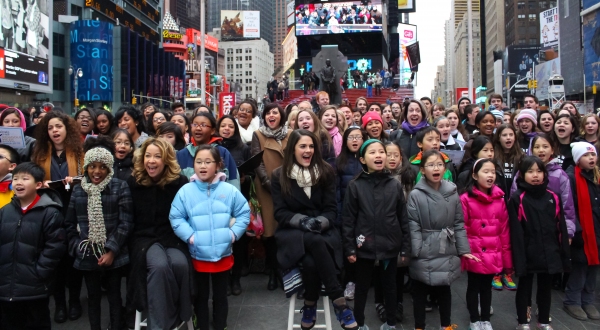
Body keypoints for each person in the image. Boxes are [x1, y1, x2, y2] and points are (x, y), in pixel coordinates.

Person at [271, 129, 358, 330]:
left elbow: (331, 209)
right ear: (293, 149)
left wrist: (320, 222)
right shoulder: (279, 175)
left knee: (311, 261)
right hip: (292, 232)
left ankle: (309, 303)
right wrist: (302, 222)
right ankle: (339, 300)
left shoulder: (326, 171)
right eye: (302, 146)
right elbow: (280, 213)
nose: (308, 150)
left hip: (322, 229)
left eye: (311, 146)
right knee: (314, 241)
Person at [169, 145, 250, 330]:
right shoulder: (185, 191)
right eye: (198, 162)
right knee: (200, 295)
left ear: (218, 165)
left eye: (208, 162)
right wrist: (191, 237)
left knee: (221, 295)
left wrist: (232, 235)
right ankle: (202, 325)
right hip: (197, 253)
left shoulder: (228, 190)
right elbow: (176, 217)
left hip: (223, 254)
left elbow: (244, 213)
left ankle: (221, 324)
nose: (203, 166)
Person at [65, 138, 133, 330]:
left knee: (114, 295)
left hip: (114, 253)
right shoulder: (78, 190)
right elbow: (69, 223)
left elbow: (125, 222)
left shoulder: (120, 187)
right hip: (86, 253)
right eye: (92, 166)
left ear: (109, 168)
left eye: (102, 167)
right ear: (86, 167)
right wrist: (77, 247)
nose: (97, 172)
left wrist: (111, 250)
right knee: (93, 296)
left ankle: (117, 325)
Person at [342, 138, 411, 330]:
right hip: (364, 246)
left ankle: (390, 323)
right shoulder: (355, 186)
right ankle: (359, 323)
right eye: (372, 152)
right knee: (362, 287)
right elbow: (348, 221)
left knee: (390, 286)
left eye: (381, 152)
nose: (378, 155)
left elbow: (402, 218)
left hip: (389, 246)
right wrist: (349, 248)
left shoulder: (394, 185)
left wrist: (405, 247)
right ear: (363, 160)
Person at [127, 138, 192, 330]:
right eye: (148, 156)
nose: (151, 161)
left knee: (180, 265)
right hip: (143, 239)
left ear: (166, 160)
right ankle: (161, 325)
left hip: (172, 237)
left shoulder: (180, 182)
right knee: (160, 266)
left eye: (157, 156)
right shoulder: (133, 182)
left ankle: (180, 315)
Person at [407, 149, 474, 330]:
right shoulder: (416, 194)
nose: (435, 168)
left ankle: (446, 324)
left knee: (445, 289)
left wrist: (464, 249)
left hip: (447, 245)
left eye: (439, 164)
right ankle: (419, 326)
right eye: (430, 165)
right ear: (422, 170)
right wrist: (417, 250)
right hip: (425, 244)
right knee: (420, 290)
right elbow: (412, 224)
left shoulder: (452, 192)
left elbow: (459, 222)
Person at [32, 110, 85, 323]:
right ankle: (60, 304)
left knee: (73, 258)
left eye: (59, 127)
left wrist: (76, 181)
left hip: (73, 209)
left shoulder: (80, 152)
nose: (55, 131)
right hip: (48, 211)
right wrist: (40, 183)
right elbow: (31, 180)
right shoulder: (39, 154)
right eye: (51, 128)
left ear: (67, 129)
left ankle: (74, 301)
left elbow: (90, 178)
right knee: (55, 261)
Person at [0, 162, 66, 330]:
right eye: (15, 179)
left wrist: (39, 272)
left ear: (38, 184)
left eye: (24, 178)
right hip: (5, 285)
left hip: (34, 288)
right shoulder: (5, 211)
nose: (18, 183)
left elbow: (55, 247)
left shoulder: (50, 212)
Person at [509, 156, 571, 330]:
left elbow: (561, 228)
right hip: (528, 252)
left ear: (545, 174)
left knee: (545, 288)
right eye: (530, 171)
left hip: (550, 251)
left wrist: (563, 255)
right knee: (525, 288)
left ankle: (544, 320)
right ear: (521, 174)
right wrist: (518, 259)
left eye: (539, 171)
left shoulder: (554, 197)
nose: (535, 175)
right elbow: (516, 232)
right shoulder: (518, 198)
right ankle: (523, 321)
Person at [460, 158, 512, 330]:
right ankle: (474, 319)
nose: (490, 176)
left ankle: (485, 319)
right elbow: (463, 227)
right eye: (485, 172)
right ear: (475, 175)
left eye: (492, 172)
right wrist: (465, 251)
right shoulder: (466, 199)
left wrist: (505, 256)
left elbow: (504, 229)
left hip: (493, 250)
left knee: (487, 288)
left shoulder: (500, 198)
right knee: (473, 286)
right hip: (474, 250)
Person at [251, 103, 291, 290]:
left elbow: (293, 159)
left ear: (281, 115)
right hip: (265, 187)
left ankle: (283, 271)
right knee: (269, 233)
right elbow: (256, 161)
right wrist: (268, 182)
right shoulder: (258, 134)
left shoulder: (291, 134)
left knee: (284, 231)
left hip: (287, 186)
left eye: (275, 112)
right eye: (268, 113)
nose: (271, 115)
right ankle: (273, 272)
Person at [510, 133, 577, 241]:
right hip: (528, 230)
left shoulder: (560, 175)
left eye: (545, 146)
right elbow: (514, 200)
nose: (541, 150)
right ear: (531, 150)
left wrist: (568, 232)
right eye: (537, 147)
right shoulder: (521, 173)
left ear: (552, 150)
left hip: (552, 231)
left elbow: (567, 206)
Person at [563, 142, 600, 321]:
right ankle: (572, 300)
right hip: (582, 231)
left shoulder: (597, 176)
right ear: (578, 159)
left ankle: (588, 300)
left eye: (593, 155)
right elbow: (569, 206)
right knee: (580, 266)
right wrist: (575, 229)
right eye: (586, 155)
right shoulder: (571, 177)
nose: (591, 158)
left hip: (597, 229)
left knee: (594, 266)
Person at [334, 128, 364, 300]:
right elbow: (336, 192)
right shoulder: (339, 162)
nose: (354, 140)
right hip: (346, 213)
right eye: (351, 137)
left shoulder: (367, 161)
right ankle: (350, 281)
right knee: (349, 248)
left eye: (358, 137)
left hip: (365, 213)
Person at [176, 113, 239, 188]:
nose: (198, 128)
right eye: (195, 124)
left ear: (212, 130)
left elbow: (233, 181)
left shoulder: (222, 153)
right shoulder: (182, 155)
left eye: (203, 125)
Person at [492, 124, 523, 199]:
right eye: (504, 135)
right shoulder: (493, 157)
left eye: (511, 135)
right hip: (498, 196)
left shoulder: (522, 157)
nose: (508, 138)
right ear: (499, 138)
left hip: (516, 196)